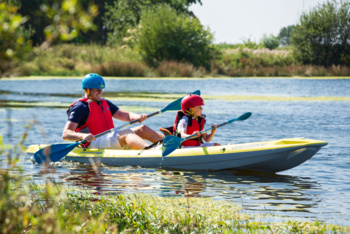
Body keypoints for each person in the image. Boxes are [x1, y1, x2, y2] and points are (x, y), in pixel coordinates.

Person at [62, 73, 164, 150]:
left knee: (142, 129)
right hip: (93, 143)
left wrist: (137, 116)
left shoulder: (104, 103)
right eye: (96, 89)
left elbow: (126, 115)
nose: (100, 92)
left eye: (101, 89)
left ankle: (173, 147)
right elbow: (66, 134)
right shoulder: (80, 107)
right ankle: (151, 152)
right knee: (126, 133)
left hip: (108, 139)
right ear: (87, 90)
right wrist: (83, 136)